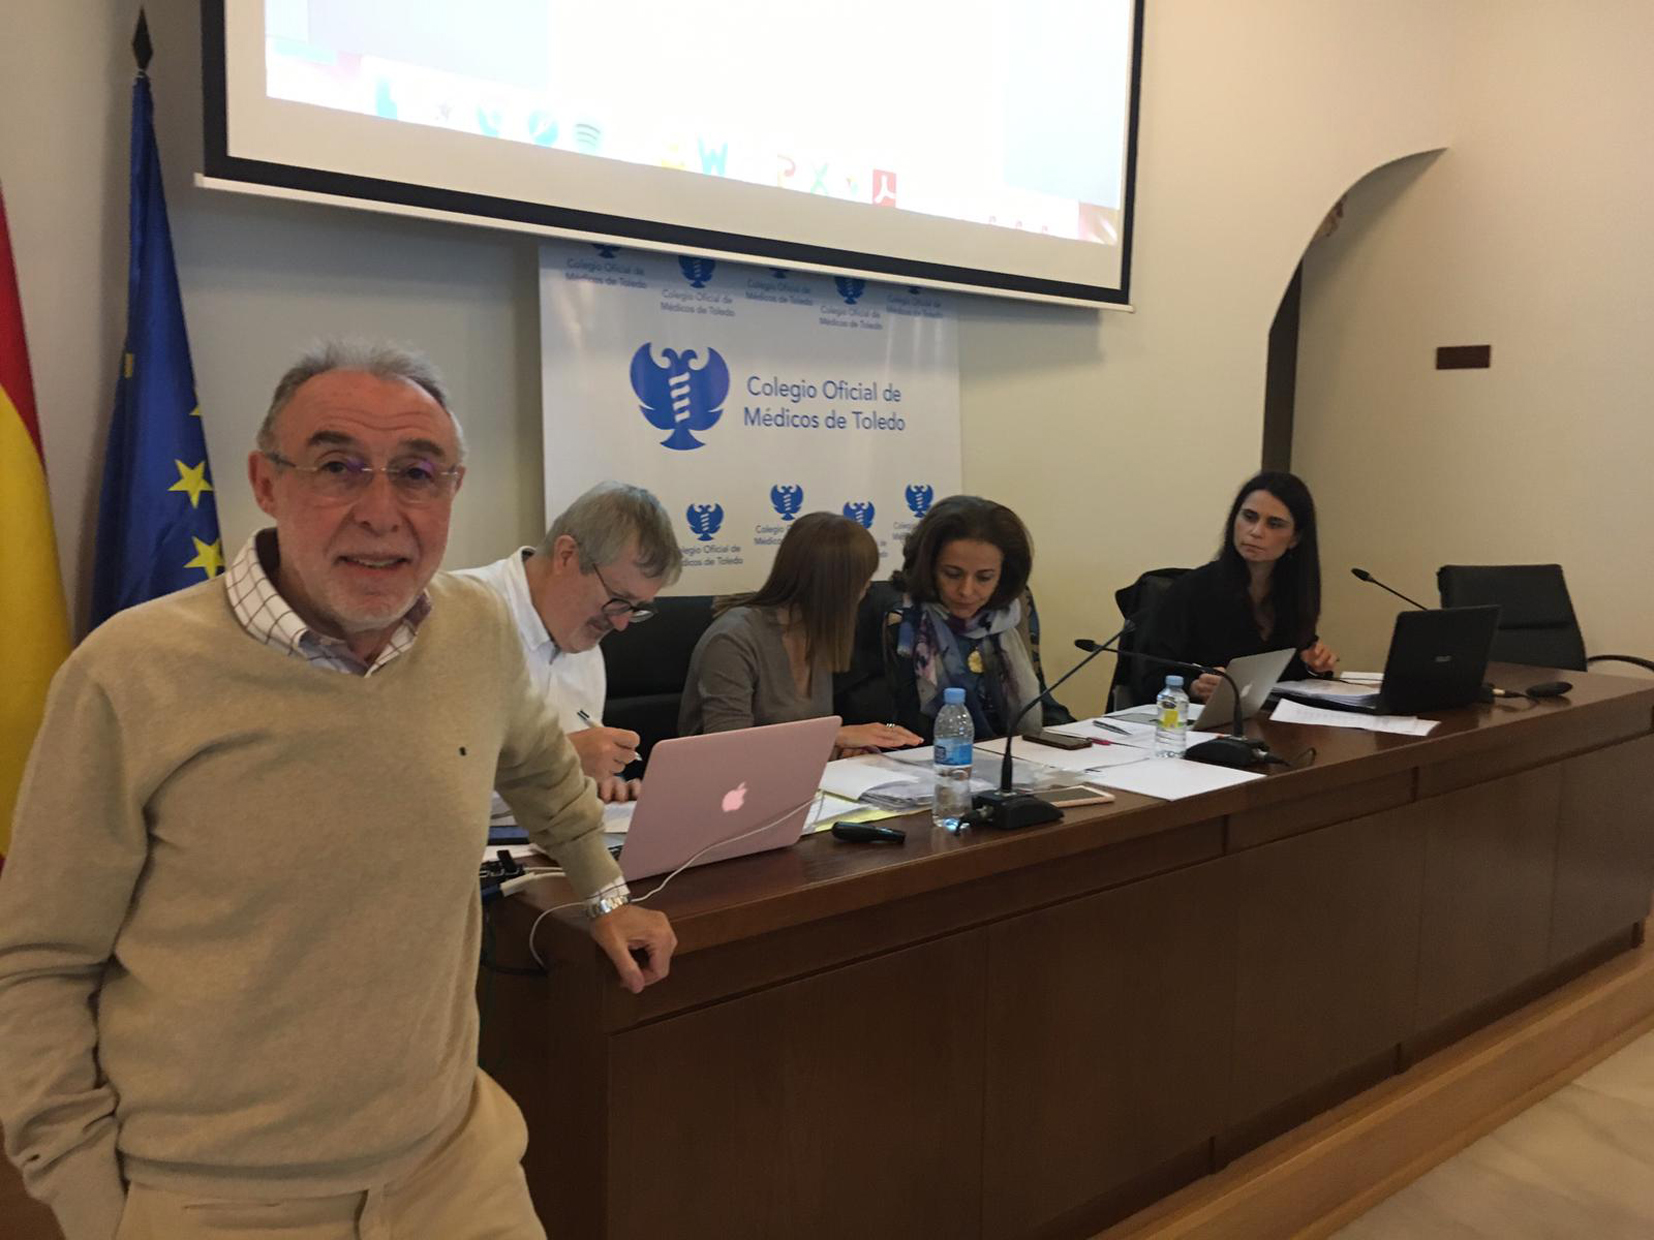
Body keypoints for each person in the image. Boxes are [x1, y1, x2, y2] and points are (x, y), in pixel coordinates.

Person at [0, 342, 675, 1240]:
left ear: (452, 492)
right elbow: (40, 964)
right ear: (267, 483)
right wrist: (91, 1203)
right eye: (337, 467)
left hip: (454, 1168)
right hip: (216, 1197)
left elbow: (544, 771)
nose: (381, 511)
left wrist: (606, 893)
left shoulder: (474, 630)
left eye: (418, 474)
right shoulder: (130, 673)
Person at [457, 483, 682, 805]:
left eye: (636, 609)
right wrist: (560, 761)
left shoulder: (586, 645)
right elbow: (417, 780)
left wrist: (607, 783)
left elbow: (578, 769)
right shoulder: (455, 615)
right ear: (566, 556)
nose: (621, 624)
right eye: (619, 600)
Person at [679, 511, 922, 755]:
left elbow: (800, 747)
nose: (865, 593)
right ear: (832, 588)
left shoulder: (815, 634)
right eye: (861, 584)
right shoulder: (732, 640)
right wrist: (835, 736)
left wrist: (843, 751)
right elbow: (727, 751)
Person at [848, 495, 1071, 742]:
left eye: (984, 577)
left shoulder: (1008, 615)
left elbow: (1039, 702)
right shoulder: (897, 617)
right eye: (952, 574)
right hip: (924, 762)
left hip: (1009, 760)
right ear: (928, 566)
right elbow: (873, 719)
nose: (966, 590)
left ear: (1004, 575)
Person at [1130, 469, 1338, 704]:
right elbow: (1148, 679)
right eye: (1249, 517)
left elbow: (1286, 677)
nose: (1256, 531)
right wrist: (1194, 687)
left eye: (1274, 524)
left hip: (1265, 725)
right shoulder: (1192, 590)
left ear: (1295, 538)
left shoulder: (1292, 595)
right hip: (1196, 728)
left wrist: (1313, 665)